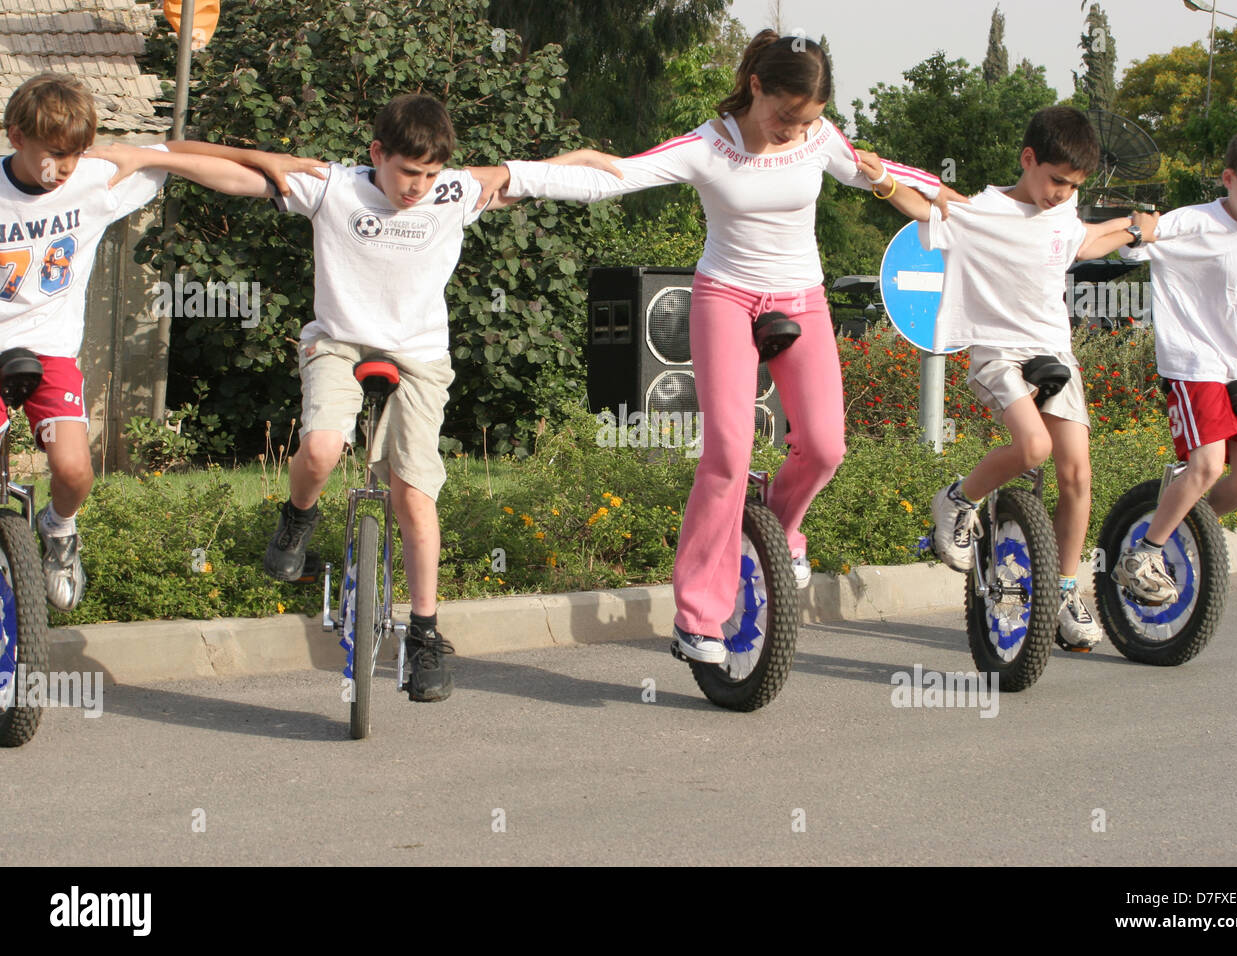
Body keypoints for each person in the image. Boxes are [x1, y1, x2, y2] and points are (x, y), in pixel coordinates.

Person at [471, 30, 956, 664]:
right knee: (727, 452)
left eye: (806, 120)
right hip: (726, 297)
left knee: (827, 446)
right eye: (785, 115)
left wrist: (972, 208)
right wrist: (511, 175)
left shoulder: (818, 135)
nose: (793, 131)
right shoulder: (707, 145)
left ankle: (778, 534)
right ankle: (698, 616)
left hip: (801, 299)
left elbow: (882, 174)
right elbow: (612, 178)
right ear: (757, 86)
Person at [96, 93, 519, 702]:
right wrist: (150, 156)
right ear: (377, 153)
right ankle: (297, 519)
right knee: (321, 449)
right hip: (338, 346)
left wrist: (611, 167)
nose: (418, 187)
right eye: (406, 172)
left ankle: (425, 634)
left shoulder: (453, 191)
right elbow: (239, 174)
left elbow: (534, 178)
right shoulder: (332, 186)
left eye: (429, 174)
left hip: (421, 357)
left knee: (414, 493)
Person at [0, 72, 296, 612]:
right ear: (16, 136)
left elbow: (179, 154)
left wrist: (269, 164)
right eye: (54, 155)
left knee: (73, 470)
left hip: (50, 351)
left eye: (75, 156)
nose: (63, 170)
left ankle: (59, 531)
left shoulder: (93, 178)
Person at [860, 106, 1147, 648]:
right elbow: (920, 206)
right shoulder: (981, 212)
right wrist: (879, 178)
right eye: (1055, 179)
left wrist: (1132, 228)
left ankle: (1063, 590)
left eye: (1073, 185)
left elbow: (1084, 242)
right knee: (1033, 447)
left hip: (1053, 350)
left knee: (1077, 476)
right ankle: (957, 499)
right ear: (1028, 159)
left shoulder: (1065, 212)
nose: (1061, 193)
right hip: (997, 354)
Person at [1112, 128, 1237, 604]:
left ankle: (1185, 532)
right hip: (1197, 361)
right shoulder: (1192, 223)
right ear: (1229, 179)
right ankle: (1143, 554)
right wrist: (1137, 226)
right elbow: (1132, 245)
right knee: (1207, 464)